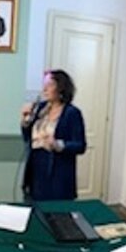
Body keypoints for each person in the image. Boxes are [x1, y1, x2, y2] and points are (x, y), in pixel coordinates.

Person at [19, 69, 86, 201]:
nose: (45, 89)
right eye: (44, 85)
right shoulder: (40, 108)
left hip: (58, 170)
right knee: (36, 206)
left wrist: (58, 145)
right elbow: (28, 138)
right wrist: (25, 121)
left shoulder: (72, 113)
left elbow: (80, 145)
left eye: (49, 85)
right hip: (36, 167)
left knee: (57, 208)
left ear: (61, 88)